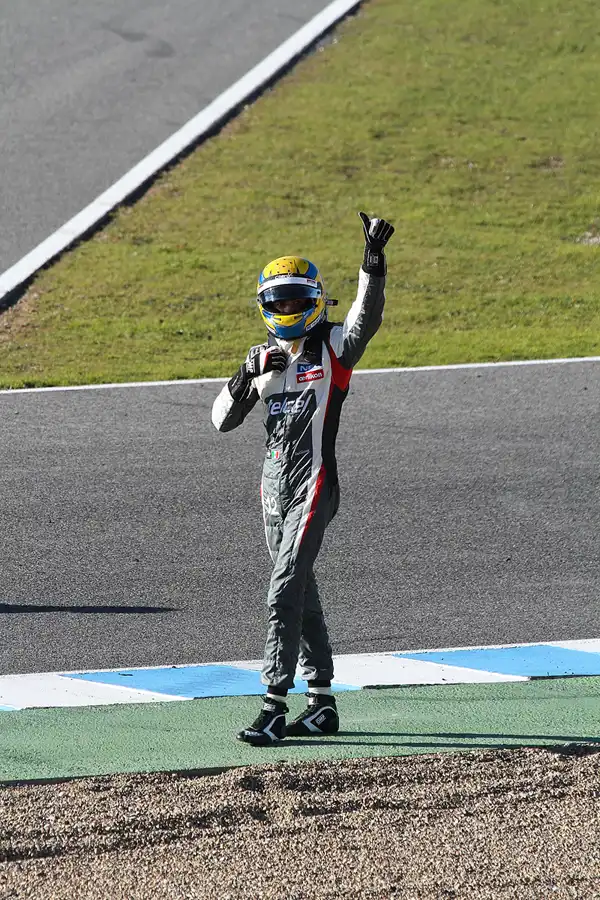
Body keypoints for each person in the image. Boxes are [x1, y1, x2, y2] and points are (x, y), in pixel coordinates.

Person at [211, 211, 394, 745]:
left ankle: (273, 703)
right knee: (301, 591)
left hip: (316, 483)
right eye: (279, 302)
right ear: (267, 309)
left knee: (282, 590)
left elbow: (368, 317)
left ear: (314, 300)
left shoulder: (334, 346)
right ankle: (321, 703)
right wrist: (245, 375)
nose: (288, 310)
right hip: (272, 488)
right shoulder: (262, 361)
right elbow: (221, 420)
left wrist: (372, 260)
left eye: (297, 300)